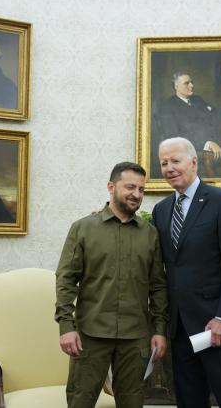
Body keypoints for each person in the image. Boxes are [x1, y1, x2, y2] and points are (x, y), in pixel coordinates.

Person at [151, 137, 221, 408]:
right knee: (189, 401)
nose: (169, 168)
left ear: (194, 162)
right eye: (164, 163)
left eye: (175, 161)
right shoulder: (160, 211)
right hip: (180, 329)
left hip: (216, 327)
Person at [55, 162, 168, 408]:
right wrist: (66, 326)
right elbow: (65, 279)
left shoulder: (150, 234)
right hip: (90, 335)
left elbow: (158, 286)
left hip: (135, 337)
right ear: (111, 186)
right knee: (80, 401)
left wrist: (159, 329)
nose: (136, 194)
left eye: (141, 189)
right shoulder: (83, 228)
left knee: (132, 403)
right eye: (130, 187)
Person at [156, 71, 221, 178]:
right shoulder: (168, 107)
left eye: (191, 82)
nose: (192, 85)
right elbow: (174, 138)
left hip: (219, 144)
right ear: (176, 87)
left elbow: (218, 114)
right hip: (198, 153)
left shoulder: (197, 100)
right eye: (187, 83)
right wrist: (207, 144)